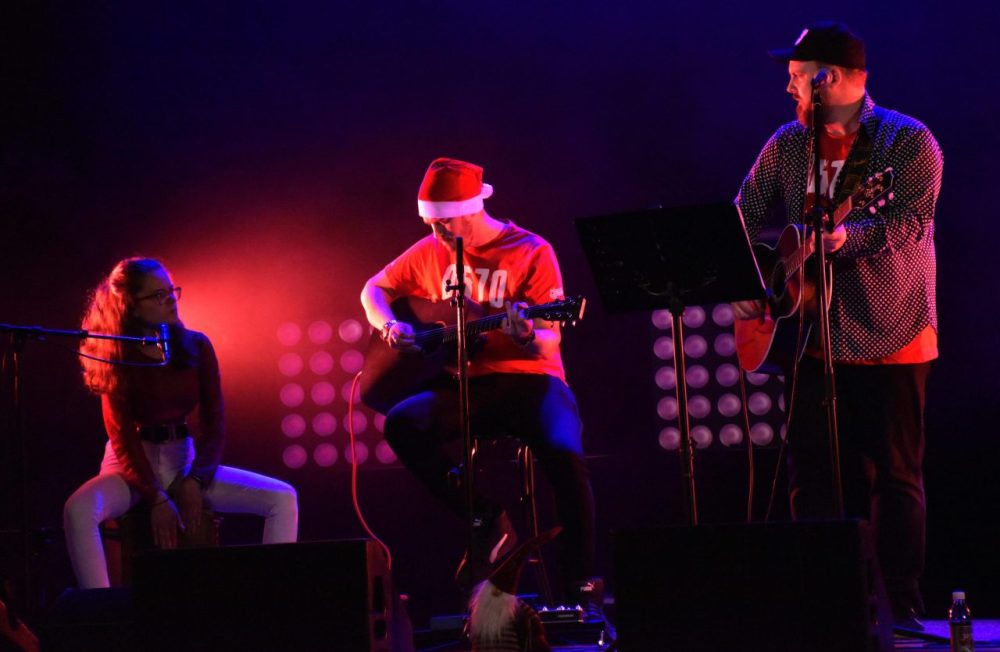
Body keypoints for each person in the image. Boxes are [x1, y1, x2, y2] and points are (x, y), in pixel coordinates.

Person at [733, 22, 942, 629]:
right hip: (808, 340)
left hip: (889, 330)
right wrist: (748, 283)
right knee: (813, 475)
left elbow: (908, 226)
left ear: (831, 78)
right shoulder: (787, 145)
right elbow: (742, 210)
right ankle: (822, 601)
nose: (789, 90)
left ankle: (900, 604)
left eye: (797, 78)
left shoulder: (906, 142)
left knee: (895, 476)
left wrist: (848, 237)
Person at [360, 158, 606, 625]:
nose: (436, 233)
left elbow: (551, 335)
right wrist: (389, 324)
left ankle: (580, 583)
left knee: (563, 452)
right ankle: (485, 516)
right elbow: (373, 289)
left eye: (444, 222)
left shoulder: (531, 249)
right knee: (403, 423)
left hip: (530, 379)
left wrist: (525, 333)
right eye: (429, 223)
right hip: (465, 382)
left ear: (473, 210)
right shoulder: (430, 250)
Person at [64, 257, 298, 589]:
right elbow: (121, 438)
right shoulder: (114, 353)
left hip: (182, 458)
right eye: (157, 295)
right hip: (129, 465)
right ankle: (100, 612)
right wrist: (156, 497)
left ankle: (273, 602)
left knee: (282, 498)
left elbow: (214, 424)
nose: (170, 299)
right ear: (130, 305)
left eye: (171, 290)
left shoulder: (196, 345)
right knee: (78, 509)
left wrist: (196, 480)